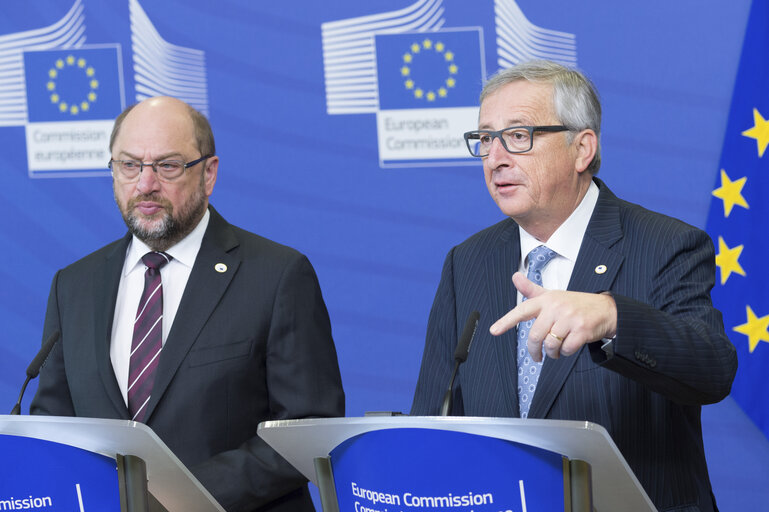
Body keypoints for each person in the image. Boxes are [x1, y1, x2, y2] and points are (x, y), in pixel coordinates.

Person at [411, 60, 737, 512]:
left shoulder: (667, 245)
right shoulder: (467, 262)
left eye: (518, 136)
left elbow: (713, 369)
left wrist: (613, 317)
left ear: (582, 148)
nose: (495, 158)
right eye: (485, 139)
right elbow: (432, 420)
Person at [30, 96, 345, 512]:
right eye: (129, 165)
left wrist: (175, 497)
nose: (145, 184)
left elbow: (308, 427)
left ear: (208, 174)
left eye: (167, 166)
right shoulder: (73, 285)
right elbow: (55, 426)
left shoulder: (277, 275)